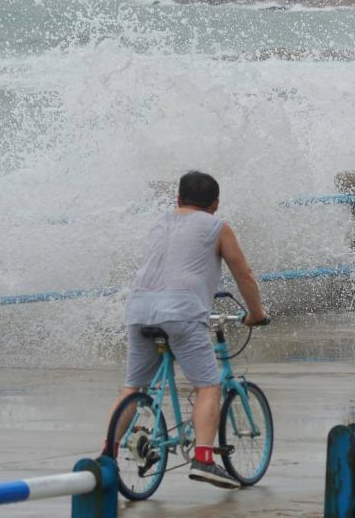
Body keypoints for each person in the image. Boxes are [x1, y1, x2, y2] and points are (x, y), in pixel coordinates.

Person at [110, 170, 268, 489]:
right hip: (181, 311)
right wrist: (256, 313)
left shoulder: (159, 223)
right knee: (208, 385)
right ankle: (204, 460)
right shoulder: (216, 226)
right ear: (215, 203)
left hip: (139, 308)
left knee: (132, 387)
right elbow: (244, 274)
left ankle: (106, 456)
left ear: (178, 199)